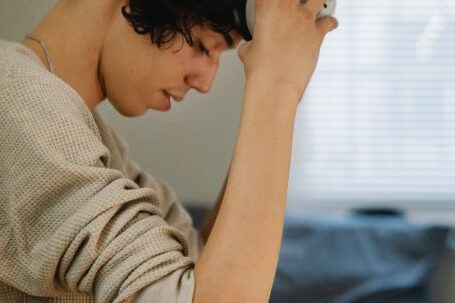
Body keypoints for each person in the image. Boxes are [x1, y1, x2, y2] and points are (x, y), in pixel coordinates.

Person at [0, 0, 337, 302]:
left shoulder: (91, 143)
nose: (205, 83)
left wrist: (276, 106)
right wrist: (277, 84)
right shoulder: (18, 99)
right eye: (205, 47)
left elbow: (201, 269)